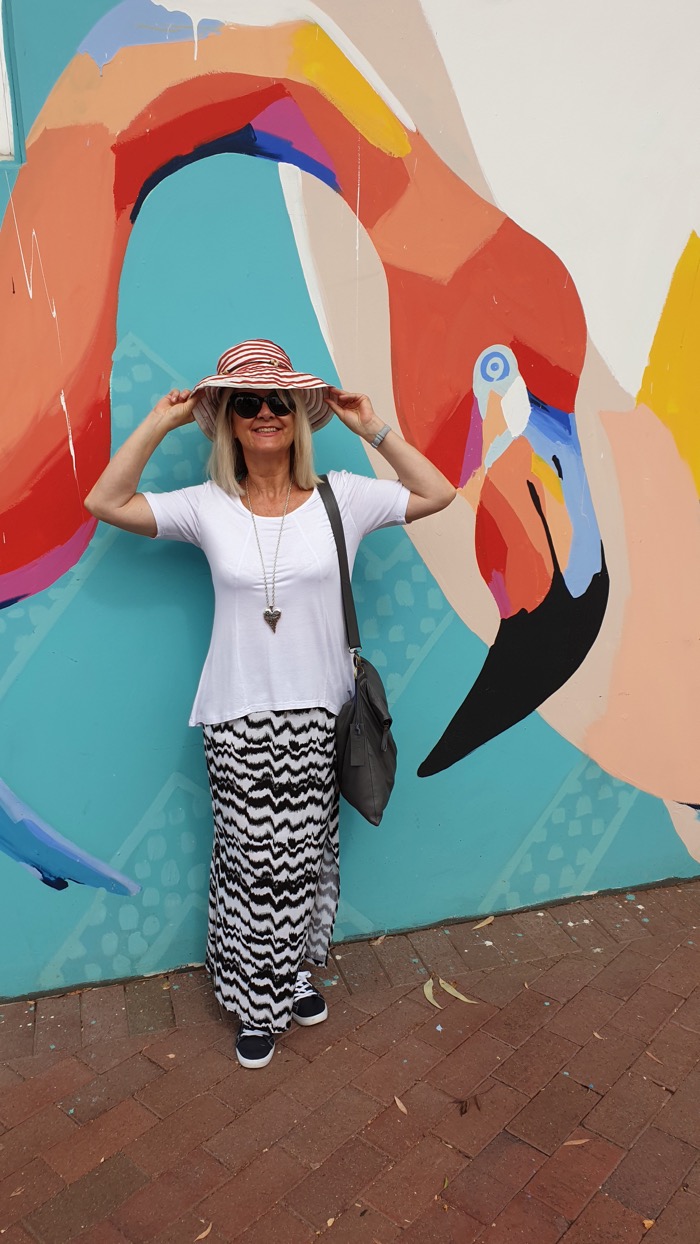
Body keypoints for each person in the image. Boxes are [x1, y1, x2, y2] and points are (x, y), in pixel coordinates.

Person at [85, 339, 456, 1068]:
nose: (264, 413)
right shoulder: (207, 508)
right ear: (226, 418)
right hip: (236, 713)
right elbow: (105, 501)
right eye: (247, 402)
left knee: (308, 858)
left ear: (297, 415)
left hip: (323, 714)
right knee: (253, 865)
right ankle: (256, 1003)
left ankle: (287, 977)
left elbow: (437, 492)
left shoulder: (342, 497)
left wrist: (372, 427)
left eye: (277, 401)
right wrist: (162, 422)